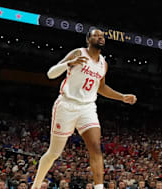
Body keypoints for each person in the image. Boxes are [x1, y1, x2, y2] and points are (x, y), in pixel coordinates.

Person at [30, 29, 137, 189]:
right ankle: (36, 185)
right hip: (66, 105)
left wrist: (122, 97)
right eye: (95, 35)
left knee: (95, 146)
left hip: (87, 108)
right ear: (88, 39)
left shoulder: (103, 64)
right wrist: (68, 64)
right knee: (54, 153)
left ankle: (99, 187)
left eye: (102, 36)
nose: (99, 37)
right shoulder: (77, 53)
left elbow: (101, 88)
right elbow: (51, 74)